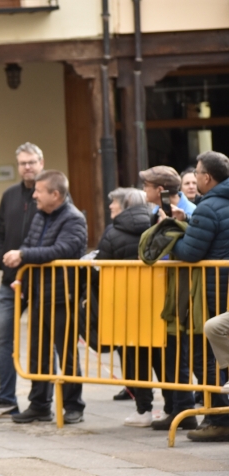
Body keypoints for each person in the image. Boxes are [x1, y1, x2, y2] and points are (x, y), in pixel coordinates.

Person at [4, 170, 87, 425]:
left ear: (55, 194)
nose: (34, 195)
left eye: (39, 191)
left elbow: (61, 250)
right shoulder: (41, 215)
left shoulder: (74, 219)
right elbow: (31, 242)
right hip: (39, 293)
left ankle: (74, 406)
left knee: (66, 352)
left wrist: (24, 255)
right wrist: (22, 276)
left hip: (64, 295)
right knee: (38, 352)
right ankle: (39, 404)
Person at [168, 151, 229, 442]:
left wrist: (172, 239)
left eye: (199, 172)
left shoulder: (208, 207)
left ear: (206, 177)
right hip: (223, 288)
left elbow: (191, 253)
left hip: (213, 290)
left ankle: (219, 417)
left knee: (206, 355)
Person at [0, 142, 44, 417]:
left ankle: (42, 401)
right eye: (23, 163)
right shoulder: (10, 195)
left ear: (41, 163)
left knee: (42, 342)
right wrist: (3, 259)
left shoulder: (50, 193)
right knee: (0, 336)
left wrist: (24, 256)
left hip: (41, 281)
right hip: (10, 281)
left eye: (32, 162)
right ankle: (6, 398)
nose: (28, 167)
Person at [93, 188, 155, 427]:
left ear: (125, 205)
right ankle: (175, 406)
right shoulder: (157, 224)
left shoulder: (113, 232)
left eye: (114, 203)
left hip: (125, 306)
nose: (110, 207)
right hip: (156, 303)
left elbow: (101, 268)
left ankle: (143, 409)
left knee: (134, 358)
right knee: (164, 357)